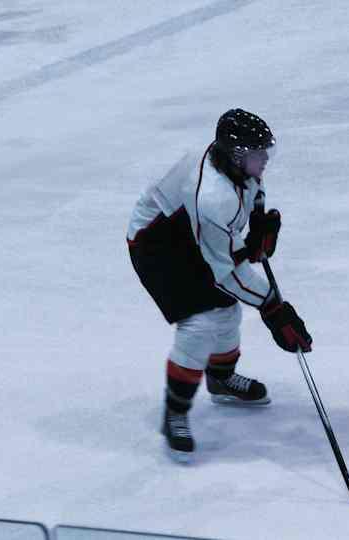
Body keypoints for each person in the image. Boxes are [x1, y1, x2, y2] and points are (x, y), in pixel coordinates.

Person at [126, 108, 313, 462]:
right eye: (260, 155)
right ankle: (175, 412)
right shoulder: (212, 196)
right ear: (238, 156)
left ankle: (221, 378)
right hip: (158, 246)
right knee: (201, 322)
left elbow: (253, 192)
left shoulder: (236, 167)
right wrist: (274, 308)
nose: (266, 162)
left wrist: (258, 224)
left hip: (194, 237)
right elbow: (225, 273)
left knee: (226, 312)